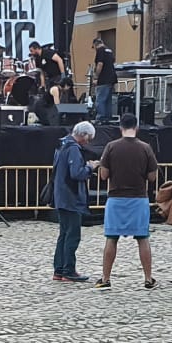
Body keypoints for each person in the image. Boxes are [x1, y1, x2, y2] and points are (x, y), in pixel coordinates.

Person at [95, 114, 159, 290]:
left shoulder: (111, 147)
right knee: (143, 239)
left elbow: (104, 175)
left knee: (111, 238)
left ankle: (105, 278)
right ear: (136, 128)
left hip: (116, 198)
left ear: (120, 128)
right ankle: (148, 278)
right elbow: (152, 177)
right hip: (138, 199)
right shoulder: (145, 148)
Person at [51, 121, 96, 283]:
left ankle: (59, 269)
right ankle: (68, 270)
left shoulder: (62, 145)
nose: (88, 142)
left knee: (63, 234)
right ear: (83, 135)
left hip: (61, 196)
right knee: (72, 234)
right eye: (88, 138)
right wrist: (90, 167)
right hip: (71, 197)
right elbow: (76, 173)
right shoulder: (73, 149)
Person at [91, 40, 118, 123]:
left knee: (100, 100)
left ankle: (100, 118)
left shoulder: (100, 51)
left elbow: (100, 64)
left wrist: (96, 77)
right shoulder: (109, 51)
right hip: (111, 78)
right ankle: (108, 118)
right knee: (108, 100)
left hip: (103, 79)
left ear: (95, 45)